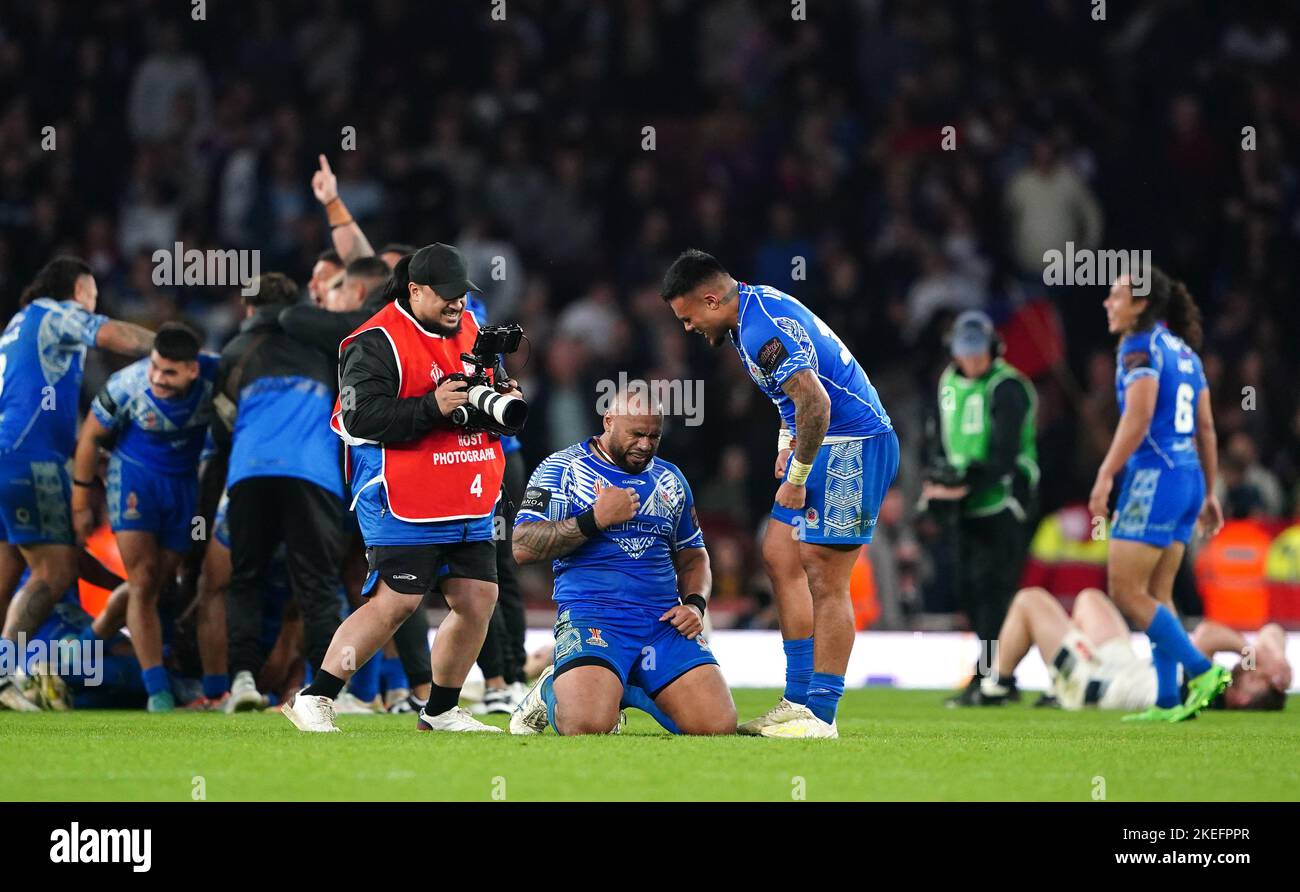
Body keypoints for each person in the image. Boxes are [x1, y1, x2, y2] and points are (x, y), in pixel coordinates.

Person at [280, 242, 520, 733]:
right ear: (414, 290)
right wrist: (431, 407)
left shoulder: (471, 328)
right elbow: (358, 417)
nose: (458, 305)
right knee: (397, 603)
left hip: (466, 487)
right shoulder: (373, 340)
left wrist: (504, 395)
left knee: (477, 598)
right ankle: (315, 698)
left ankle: (441, 710)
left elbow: (488, 385)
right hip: (400, 494)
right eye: (447, 296)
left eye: (462, 295)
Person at [661, 249, 898, 738]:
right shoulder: (754, 307)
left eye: (688, 318)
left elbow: (816, 400)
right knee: (779, 552)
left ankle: (821, 714)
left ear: (710, 299)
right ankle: (796, 697)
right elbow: (794, 397)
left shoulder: (757, 329)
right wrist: (787, 442)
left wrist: (797, 474)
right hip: (827, 440)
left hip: (854, 443)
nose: (687, 328)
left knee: (825, 573)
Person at [508, 389, 736, 736]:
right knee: (587, 725)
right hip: (593, 619)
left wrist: (694, 604)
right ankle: (548, 692)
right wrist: (594, 520)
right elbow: (522, 546)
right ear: (609, 422)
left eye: (654, 436)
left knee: (717, 727)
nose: (645, 445)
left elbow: (694, 555)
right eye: (637, 434)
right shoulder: (562, 468)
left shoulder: (670, 480)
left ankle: (625, 686)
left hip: (662, 624)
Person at [0, 257, 155, 712]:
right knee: (55, 571)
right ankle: (5, 677)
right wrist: (169, 348)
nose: (94, 304)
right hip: (28, 459)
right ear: (79, 288)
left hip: (8, 454)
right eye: (92, 295)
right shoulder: (54, 311)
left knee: (8, 572)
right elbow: (118, 336)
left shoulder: (15, 328)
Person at [1088, 268, 1229, 721]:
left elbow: (1139, 416)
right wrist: (1209, 490)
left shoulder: (1138, 346)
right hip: (1186, 478)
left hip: (1154, 476)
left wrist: (1106, 474)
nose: (1108, 303)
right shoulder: (1185, 352)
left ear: (1142, 304)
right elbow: (1206, 427)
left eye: (1117, 296)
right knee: (1157, 592)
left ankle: (1202, 670)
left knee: (1126, 591)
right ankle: (1168, 700)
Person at [211, 272, 347, 714]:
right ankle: (326, 693)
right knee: (318, 584)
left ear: (250, 309)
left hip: (251, 471)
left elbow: (220, 427)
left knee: (246, 577)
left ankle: (243, 681)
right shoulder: (326, 346)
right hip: (313, 473)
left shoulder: (235, 351)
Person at [70, 322, 217, 711]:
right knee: (144, 579)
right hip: (134, 481)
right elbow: (89, 438)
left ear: (192, 369)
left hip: (183, 487)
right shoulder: (126, 385)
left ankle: (86, 646)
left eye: (169, 372)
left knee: (159, 582)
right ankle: (158, 691)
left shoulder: (216, 378)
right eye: (155, 367)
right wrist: (81, 501)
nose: (158, 378)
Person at [923, 310, 1039, 706]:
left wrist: (967, 482)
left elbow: (1006, 454)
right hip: (966, 505)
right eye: (964, 351)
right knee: (969, 592)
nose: (971, 360)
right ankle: (993, 671)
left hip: (1003, 503)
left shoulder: (1009, 388)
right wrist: (938, 478)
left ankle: (993, 675)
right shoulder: (948, 383)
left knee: (995, 592)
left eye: (977, 351)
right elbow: (938, 437)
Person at [979, 587, 1290, 714]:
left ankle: (997, 687)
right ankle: (1056, 680)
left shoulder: (1206, 692)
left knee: (1030, 600)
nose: (1253, 668)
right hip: (1125, 666)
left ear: (1241, 698)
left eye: (1257, 677)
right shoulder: (1216, 684)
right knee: (1090, 599)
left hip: (1095, 683)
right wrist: (1275, 658)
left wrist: (1252, 651)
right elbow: (1273, 630)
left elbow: (1207, 634)